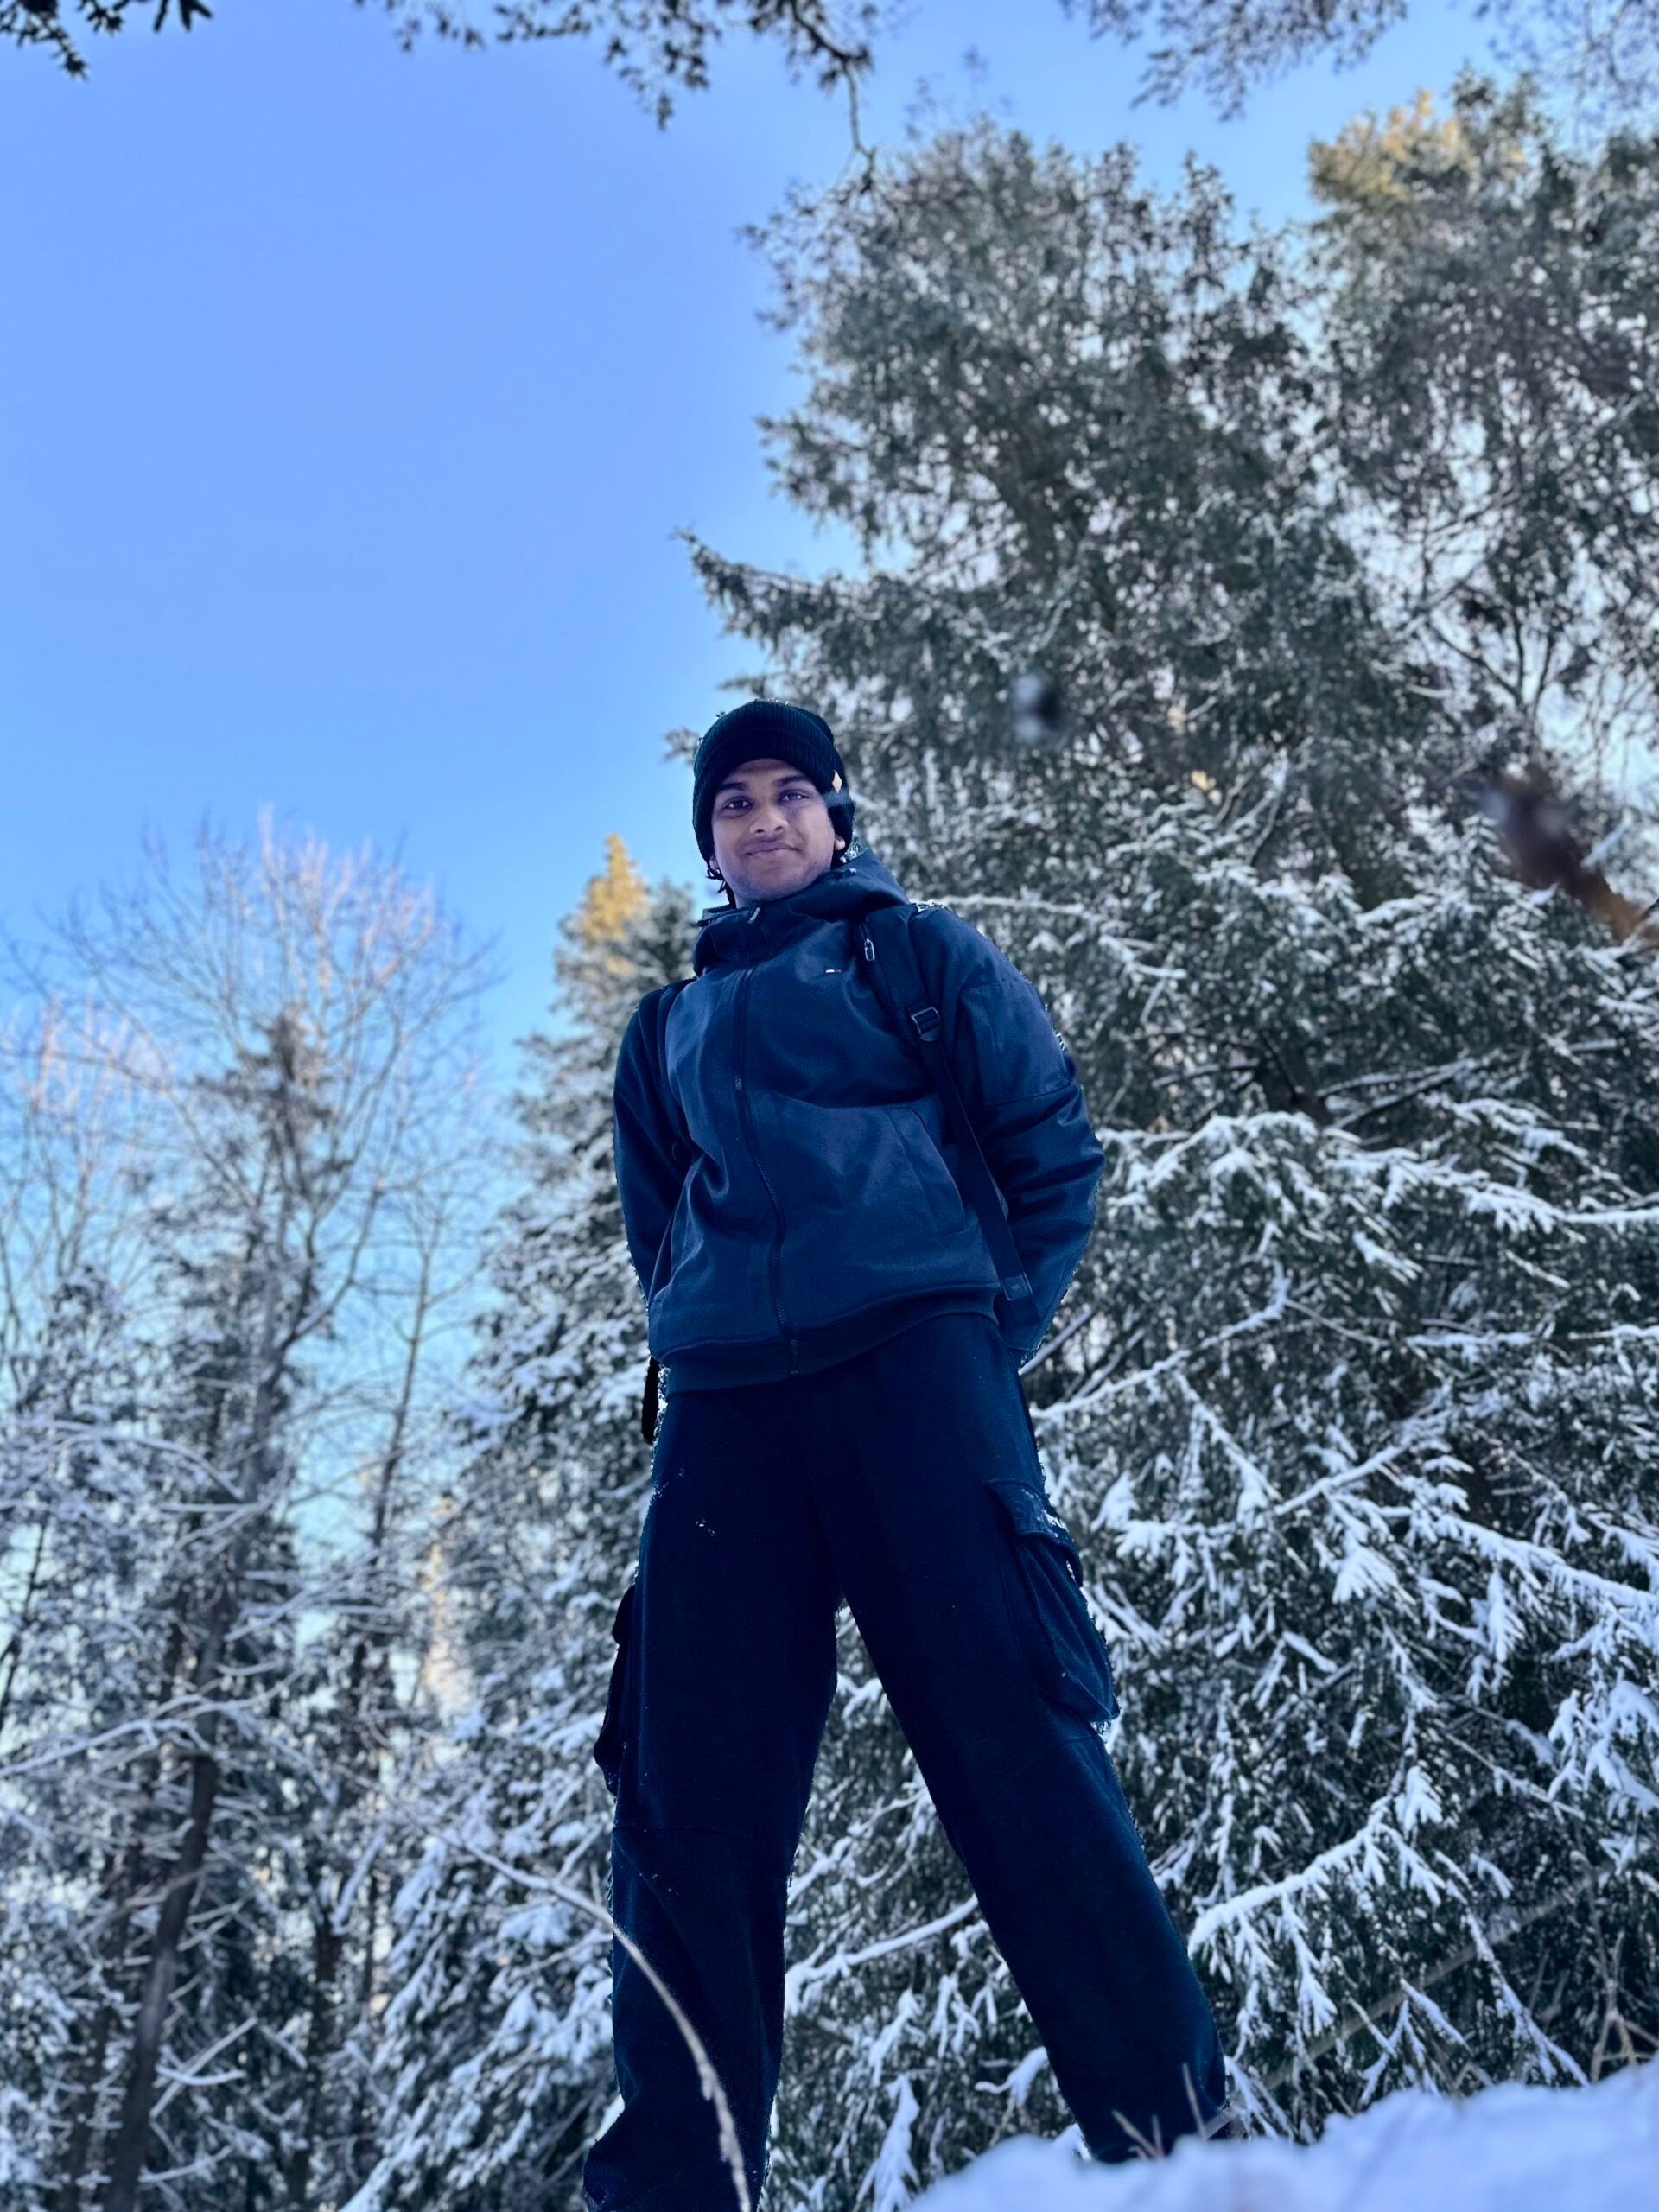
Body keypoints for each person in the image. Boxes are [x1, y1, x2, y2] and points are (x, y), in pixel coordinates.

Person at [583, 699, 1236, 2212]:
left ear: (837, 816)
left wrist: (973, 1340)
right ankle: (678, 2189)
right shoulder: (660, 1030)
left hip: (920, 1375)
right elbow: (657, 1221)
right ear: (714, 845)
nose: (762, 820)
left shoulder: (917, 956)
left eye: (789, 795)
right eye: (732, 803)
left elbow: (1051, 1150)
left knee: (1019, 1733)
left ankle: (1180, 2147)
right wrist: (706, 1324)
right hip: (730, 1410)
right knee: (687, 1786)